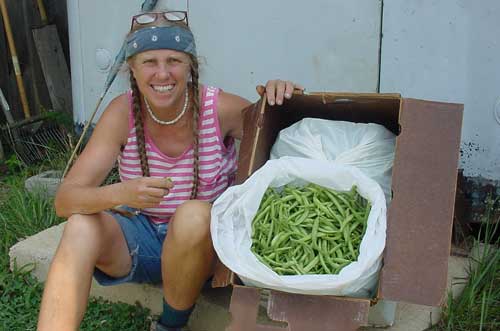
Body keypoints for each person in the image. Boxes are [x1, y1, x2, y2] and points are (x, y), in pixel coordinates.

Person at [37, 11, 303, 331]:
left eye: (174, 60)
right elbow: (65, 201)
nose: (162, 74)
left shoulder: (220, 109)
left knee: (192, 215)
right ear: (132, 69)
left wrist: (281, 100)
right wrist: (120, 193)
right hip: (142, 242)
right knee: (80, 225)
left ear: (191, 65)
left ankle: (170, 326)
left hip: (204, 251)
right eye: (149, 62)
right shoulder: (121, 113)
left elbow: (289, 144)